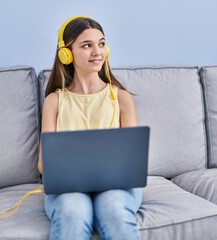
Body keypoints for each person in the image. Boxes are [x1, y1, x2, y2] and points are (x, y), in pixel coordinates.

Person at [37, 16, 142, 240]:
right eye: (87, 45)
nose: (98, 52)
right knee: (73, 211)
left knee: (113, 208)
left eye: (101, 43)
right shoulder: (54, 102)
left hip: (116, 187)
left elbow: (133, 160)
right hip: (68, 190)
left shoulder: (121, 98)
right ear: (66, 53)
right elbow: (44, 164)